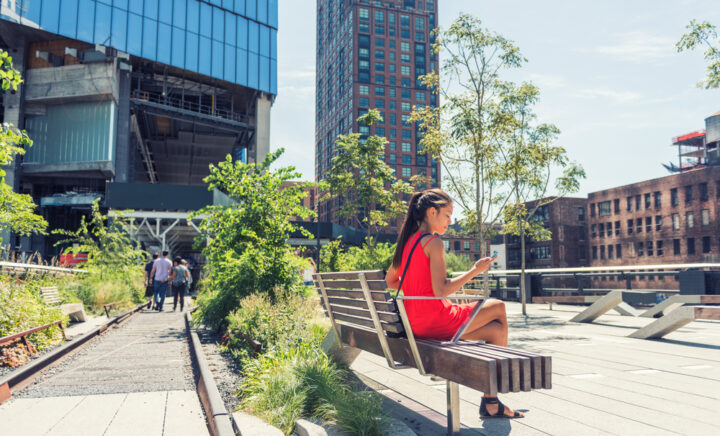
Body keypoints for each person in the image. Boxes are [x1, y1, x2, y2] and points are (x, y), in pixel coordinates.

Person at [385, 188, 523, 419]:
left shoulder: (407, 241)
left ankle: (491, 402)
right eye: (447, 214)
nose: (450, 220)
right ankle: (496, 389)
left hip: (415, 322)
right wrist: (475, 270)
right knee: (498, 306)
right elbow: (442, 290)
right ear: (432, 212)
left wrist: (416, 290)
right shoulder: (433, 242)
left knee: (496, 331)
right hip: (435, 321)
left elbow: (391, 281)